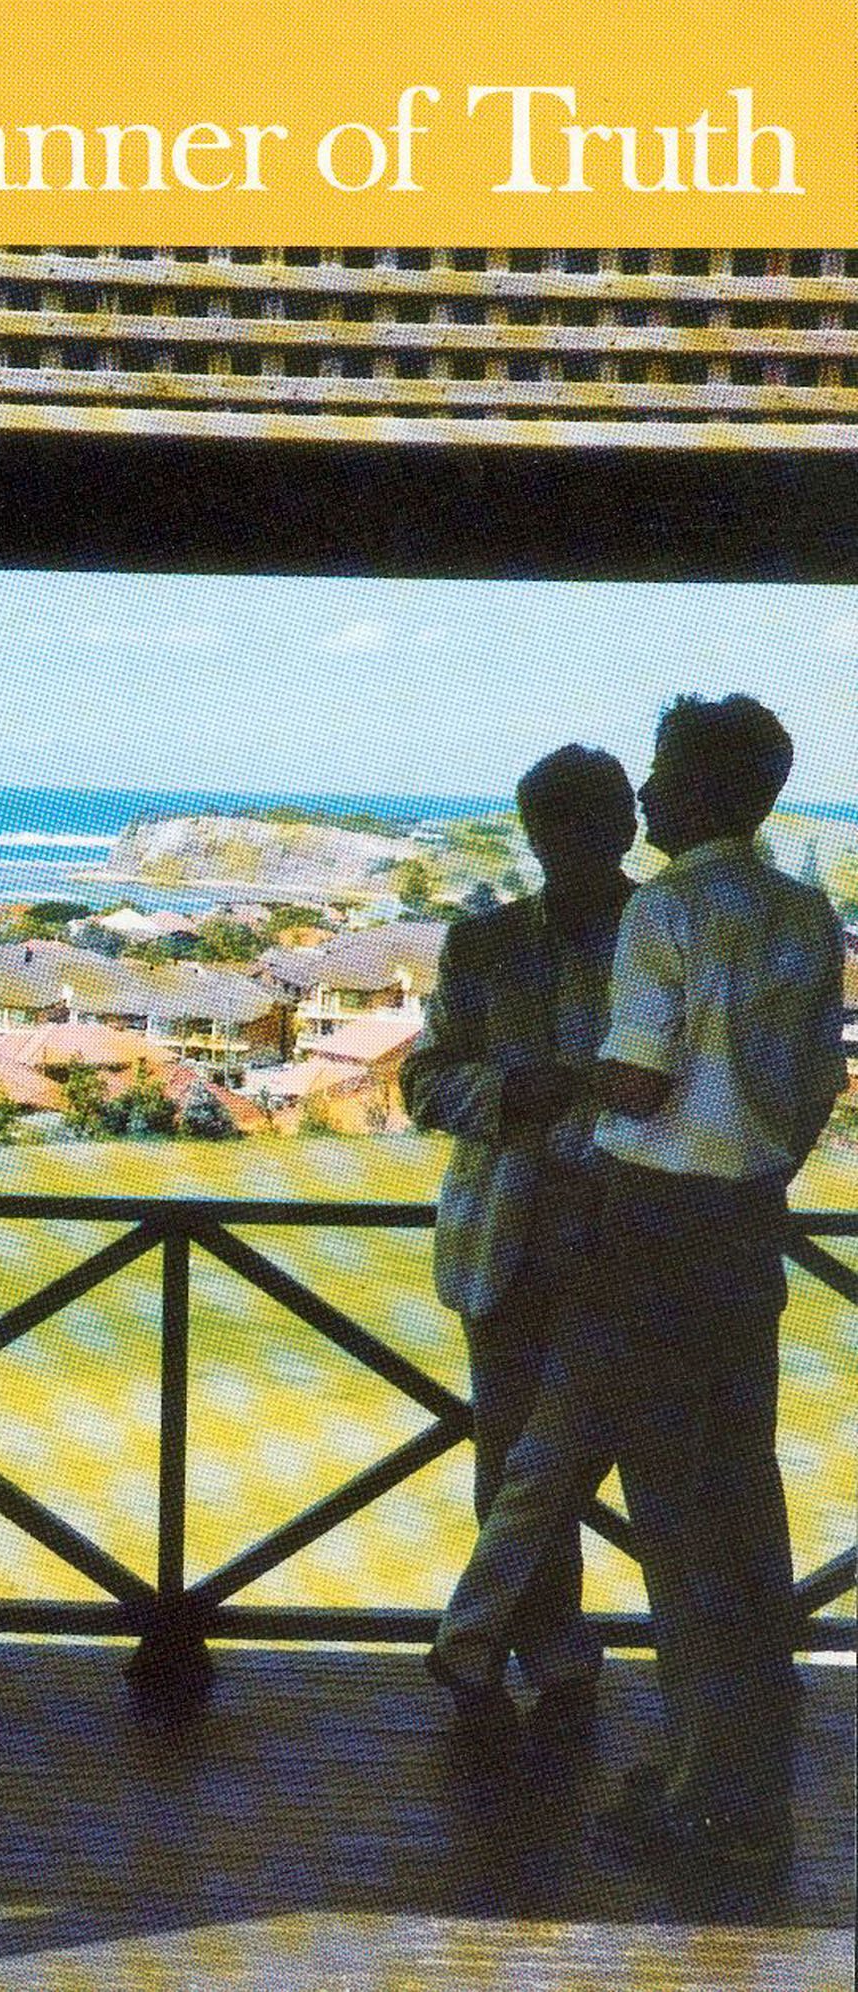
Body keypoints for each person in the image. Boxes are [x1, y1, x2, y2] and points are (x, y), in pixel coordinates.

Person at [427, 694, 846, 1872]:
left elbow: (643, 1083)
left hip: (644, 1228)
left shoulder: (666, 907)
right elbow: (817, 1081)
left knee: (671, 1515)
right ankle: (718, 1762)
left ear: (688, 793)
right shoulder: (804, 911)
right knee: (727, 1502)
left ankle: (707, 1796)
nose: (644, 797)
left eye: (654, 777)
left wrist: (576, 1096)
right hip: (731, 1230)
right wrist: (751, 1166)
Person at [400, 745, 637, 1755]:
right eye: (551, 828)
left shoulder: (663, 933)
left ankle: (486, 1639)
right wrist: (506, 1094)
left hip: (631, 1238)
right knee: (515, 1458)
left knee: (569, 1456)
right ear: (532, 833)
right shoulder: (483, 943)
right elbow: (422, 1081)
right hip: (508, 1235)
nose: (566, 847)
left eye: (587, 826)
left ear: (625, 828)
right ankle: (547, 1652)